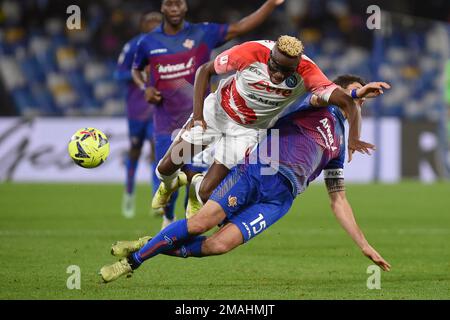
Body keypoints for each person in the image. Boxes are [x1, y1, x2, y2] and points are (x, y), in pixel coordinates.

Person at [99, 74, 391, 283]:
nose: (360, 99)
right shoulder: (316, 104)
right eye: (356, 91)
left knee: (219, 245)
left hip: (280, 200)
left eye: (363, 96)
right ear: (338, 91)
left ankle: (152, 243)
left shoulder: (340, 146)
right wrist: (355, 93)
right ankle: (131, 262)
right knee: (202, 223)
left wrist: (363, 244)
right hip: (257, 171)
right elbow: (327, 94)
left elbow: (338, 199)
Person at [152, 35, 389, 218]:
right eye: (274, 66)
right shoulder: (248, 52)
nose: (277, 74)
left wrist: (353, 137)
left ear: (296, 67)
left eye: (286, 71)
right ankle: (169, 183)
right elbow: (205, 71)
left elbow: (345, 100)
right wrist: (197, 116)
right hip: (217, 112)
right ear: (270, 56)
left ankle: (195, 187)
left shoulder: (308, 72)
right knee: (165, 167)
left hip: (247, 132)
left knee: (206, 195)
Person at [132, 0, 287, 228]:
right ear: (162, 8)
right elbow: (136, 69)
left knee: (199, 171)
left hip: (203, 115)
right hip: (166, 119)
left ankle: (181, 219)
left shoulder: (203, 32)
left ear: (186, 7)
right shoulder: (147, 41)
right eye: (169, 4)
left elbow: (240, 27)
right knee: (166, 169)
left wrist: (270, 5)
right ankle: (168, 207)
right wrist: (145, 87)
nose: (174, 9)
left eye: (179, 4)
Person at [114, 12, 163, 218]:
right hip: (135, 110)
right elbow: (119, 73)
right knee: (134, 151)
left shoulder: (166, 47)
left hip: (157, 109)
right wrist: (142, 74)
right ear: (142, 27)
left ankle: (156, 201)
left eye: (157, 25)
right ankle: (129, 194)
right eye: (149, 25)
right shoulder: (133, 46)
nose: (153, 29)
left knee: (155, 152)